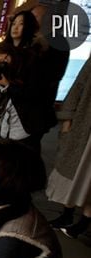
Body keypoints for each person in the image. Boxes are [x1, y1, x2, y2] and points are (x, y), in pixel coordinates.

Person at [46, 56, 91, 238]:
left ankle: (84, 222)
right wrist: (68, 117)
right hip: (84, 123)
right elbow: (80, 84)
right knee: (73, 169)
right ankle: (67, 214)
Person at [0, 42, 49, 154]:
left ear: (10, 54)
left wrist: (9, 85)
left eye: (3, 61)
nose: (3, 65)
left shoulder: (30, 69)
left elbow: (29, 98)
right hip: (5, 131)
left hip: (25, 131)